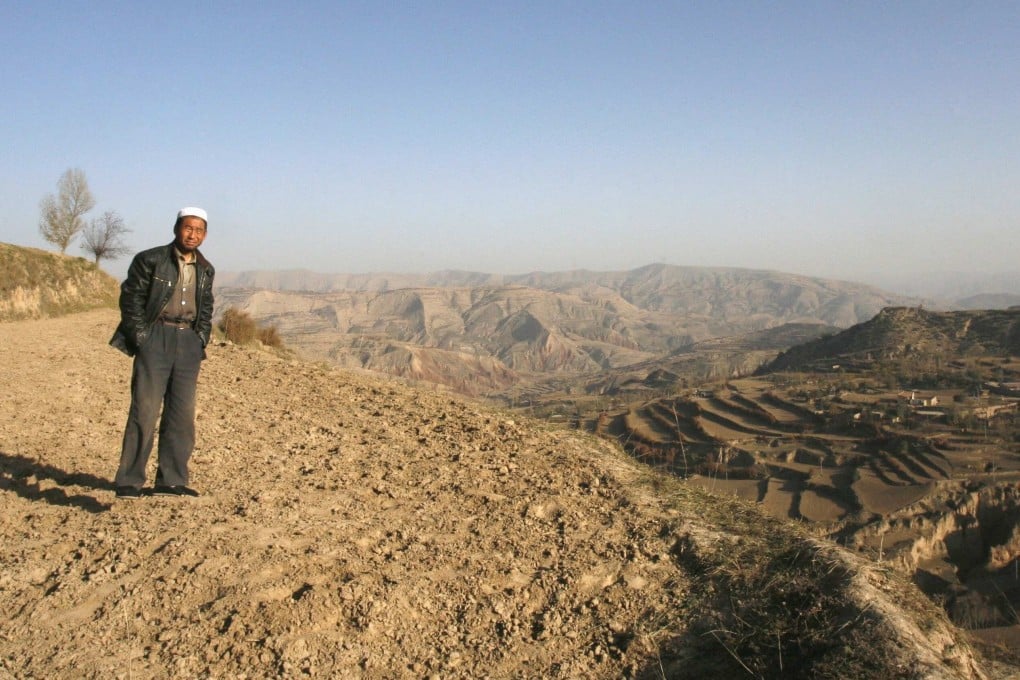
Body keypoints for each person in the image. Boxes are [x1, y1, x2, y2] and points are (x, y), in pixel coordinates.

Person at [110, 207, 215, 499]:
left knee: (181, 414)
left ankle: (171, 480)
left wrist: (200, 338)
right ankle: (129, 481)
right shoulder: (150, 259)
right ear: (176, 229)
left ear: (205, 235)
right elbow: (130, 300)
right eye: (188, 228)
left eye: (199, 230)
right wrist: (143, 337)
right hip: (155, 336)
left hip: (188, 342)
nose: (192, 234)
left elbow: (205, 306)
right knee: (144, 410)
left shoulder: (205, 268)